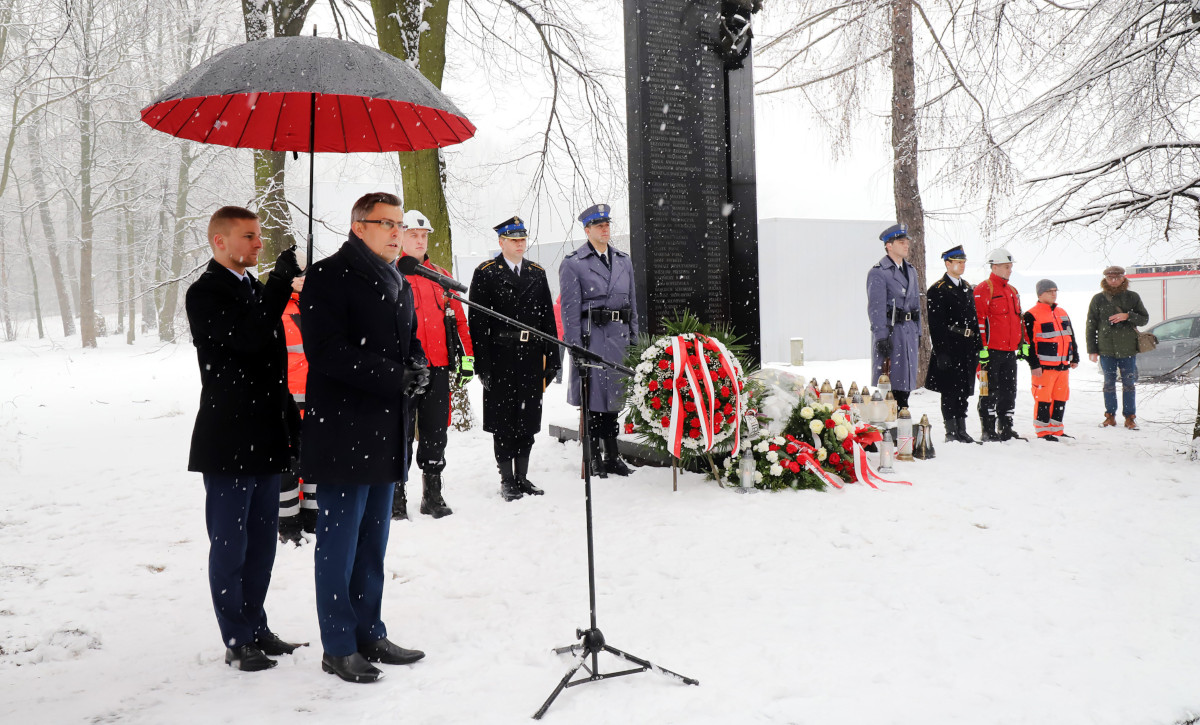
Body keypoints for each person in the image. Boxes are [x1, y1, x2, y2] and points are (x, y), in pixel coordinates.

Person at [299, 192, 430, 684]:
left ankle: (369, 632)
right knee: (339, 543)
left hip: (385, 430)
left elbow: (405, 339)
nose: (397, 231)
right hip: (345, 431)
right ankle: (338, 644)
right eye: (386, 223)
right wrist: (393, 376)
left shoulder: (398, 279)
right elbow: (327, 352)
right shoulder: (328, 277)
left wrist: (416, 364)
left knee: (373, 541)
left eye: (399, 223)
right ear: (359, 227)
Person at [185, 205, 304, 672]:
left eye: (258, 236)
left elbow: (273, 367)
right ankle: (236, 637)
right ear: (220, 242)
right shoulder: (205, 293)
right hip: (229, 437)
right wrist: (279, 287)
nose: (259, 245)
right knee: (231, 545)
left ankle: (256, 625)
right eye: (250, 237)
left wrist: (289, 425)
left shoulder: (254, 288)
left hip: (265, 434)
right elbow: (249, 337)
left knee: (262, 544)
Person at [468, 216, 561, 501]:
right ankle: (507, 479)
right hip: (501, 356)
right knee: (504, 420)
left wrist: (553, 357)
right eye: (513, 239)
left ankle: (522, 476)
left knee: (528, 419)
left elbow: (547, 318)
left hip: (532, 356)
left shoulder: (536, 272)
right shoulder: (486, 272)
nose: (520, 244)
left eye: (523, 239)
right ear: (501, 242)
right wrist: (482, 364)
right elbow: (477, 323)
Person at [396, 208, 473, 520]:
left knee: (435, 432)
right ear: (399, 236)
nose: (419, 240)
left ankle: (433, 495)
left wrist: (466, 359)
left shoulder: (440, 277)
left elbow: (461, 324)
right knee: (399, 433)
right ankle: (395, 496)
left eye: (423, 235)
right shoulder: (391, 274)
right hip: (403, 371)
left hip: (439, 367)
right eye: (413, 235)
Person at [559, 203, 639, 477]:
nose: (605, 229)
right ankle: (593, 457)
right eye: (599, 226)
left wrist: (634, 341)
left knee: (614, 403)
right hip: (592, 340)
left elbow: (633, 305)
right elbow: (569, 312)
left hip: (618, 340)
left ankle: (613, 456)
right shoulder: (573, 264)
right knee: (593, 403)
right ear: (587, 230)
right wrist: (575, 348)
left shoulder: (623, 260)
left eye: (607, 225)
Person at [924, 245, 981, 443]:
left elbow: (973, 319)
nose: (962, 265)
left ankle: (962, 428)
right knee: (950, 390)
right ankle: (951, 430)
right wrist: (941, 352)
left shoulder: (966, 286)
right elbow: (936, 324)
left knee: (964, 389)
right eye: (958, 262)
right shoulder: (938, 289)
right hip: (950, 344)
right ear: (947, 264)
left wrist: (978, 345)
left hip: (967, 346)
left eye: (963, 262)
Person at [278, 275, 318, 544]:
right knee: (289, 467)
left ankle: (314, 519)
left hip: (319, 401)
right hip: (289, 402)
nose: (304, 281)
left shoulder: (321, 308)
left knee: (315, 463)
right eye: (299, 276)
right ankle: (288, 525)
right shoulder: (278, 311)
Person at [1085, 265, 1149, 430]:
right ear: (1105, 279)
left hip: (1127, 349)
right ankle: (1110, 416)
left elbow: (1144, 319)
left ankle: (1130, 417)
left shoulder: (1132, 297)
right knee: (1109, 384)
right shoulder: (1098, 299)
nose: (1113, 281)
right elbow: (1091, 326)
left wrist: (1127, 316)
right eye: (1109, 278)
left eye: (1116, 277)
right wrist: (1092, 350)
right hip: (1106, 349)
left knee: (1129, 383)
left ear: (1123, 278)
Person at [973, 247, 1027, 441]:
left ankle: (1006, 427)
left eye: (1010, 266)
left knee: (1009, 391)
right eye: (1006, 266)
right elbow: (979, 321)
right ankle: (988, 430)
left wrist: (1023, 343)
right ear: (994, 267)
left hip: (1009, 351)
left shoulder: (1012, 291)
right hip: (991, 352)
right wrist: (982, 349)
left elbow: (1019, 320)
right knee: (988, 391)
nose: (1010, 270)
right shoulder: (984, 288)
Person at [866, 223, 920, 410]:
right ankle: (896, 421)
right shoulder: (879, 272)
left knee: (906, 383)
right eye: (901, 242)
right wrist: (881, 337)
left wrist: (918, 332)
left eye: (907, 242)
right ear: (889, 245)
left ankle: (903, 416)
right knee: (893, 384)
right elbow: (876, 309)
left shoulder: (911, 270)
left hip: (908, 331)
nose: (906, 245)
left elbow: (916, 305)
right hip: (892, 332)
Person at [1023, 280, 1080, 441]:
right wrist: (1034, 364)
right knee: (1043, 399)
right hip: (1044, 368)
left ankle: (1056, 429)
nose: (1054, 294)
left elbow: (1070, 336)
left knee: (1060, 398)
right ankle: (1043, 431)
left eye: (1055, 291)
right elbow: (1028, 343)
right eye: (1049, 291)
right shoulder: (1031, 315)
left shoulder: (1062, 312)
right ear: (1040, 294)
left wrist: (1074, 356)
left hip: (1062, 367)